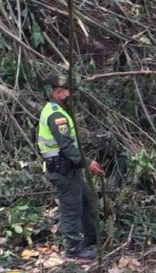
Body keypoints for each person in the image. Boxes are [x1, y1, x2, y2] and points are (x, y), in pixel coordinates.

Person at [37, 75, 105, 260]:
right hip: (61, 170)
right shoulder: (56, 115)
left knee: (87, 198)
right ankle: (73, 250)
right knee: (72, 209)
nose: (71, 96)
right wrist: (88, 163)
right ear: (58, 93)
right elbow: (66, 146)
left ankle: (91, 240)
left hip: (68, 169)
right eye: (68, 92)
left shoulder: (56, 110)